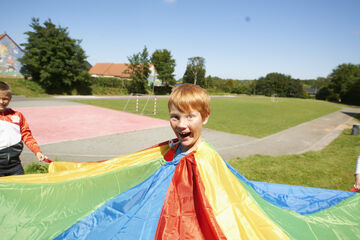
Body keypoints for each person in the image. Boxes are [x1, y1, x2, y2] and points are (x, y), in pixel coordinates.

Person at [0, 81, 46, 176]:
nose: (1, 102)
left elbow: (27, 136)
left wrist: (37, 151)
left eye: (5, 99)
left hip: (15, 165)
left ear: (10, 98)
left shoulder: (18, 116)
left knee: (20, 189)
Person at [167, 83, 210, 160]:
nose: (181, 125)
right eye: (175, 117)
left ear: (205, 117)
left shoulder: (205, 162)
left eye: (190, 116)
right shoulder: (171, 148)